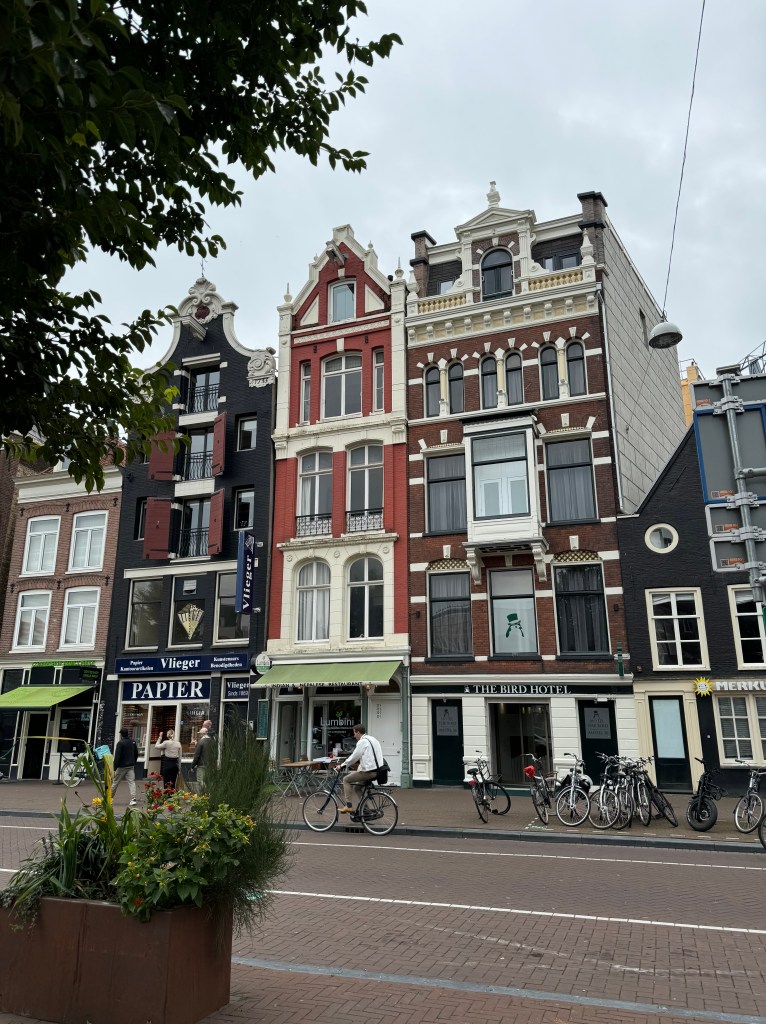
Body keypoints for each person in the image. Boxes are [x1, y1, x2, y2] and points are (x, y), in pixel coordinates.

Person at [335, 723, 383, 813]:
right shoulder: (373, 739)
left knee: (346, 779)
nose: (354, 736)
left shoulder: (362, 741)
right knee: (357, 788)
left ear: (358, 732)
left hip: (368, 772)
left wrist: (342, 765)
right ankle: (366, 810)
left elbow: (354, 756)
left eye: (354, 733)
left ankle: (348, 806)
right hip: (377, 770)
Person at [112, 728, 138, 806]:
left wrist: (114, 768)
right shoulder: (133, 742)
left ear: (121, 734)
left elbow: (117, 756)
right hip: (131, 766)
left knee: (115, 782)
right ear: (127, 733)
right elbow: (136, 753)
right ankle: (133, 799)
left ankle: (109, 798)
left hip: (122, 766)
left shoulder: (120, 743)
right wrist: (134, 762)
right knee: (132, 782)